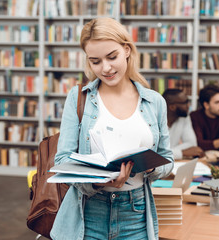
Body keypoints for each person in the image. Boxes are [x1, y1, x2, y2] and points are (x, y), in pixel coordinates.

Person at [50, 18, 174, 240]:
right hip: (88, 214)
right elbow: (62, 161)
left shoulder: (154, 102)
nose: (105, 68)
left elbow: (167, 159)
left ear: (126, 50)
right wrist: (97, 181)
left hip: (135, 215)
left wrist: (147, 167)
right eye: (95, 61)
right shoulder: (79, 98)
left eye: (112, 57)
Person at [163, 89, 205, 160]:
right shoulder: (153, 122)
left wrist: (168, 153)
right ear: (172, 107)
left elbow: (192, 145)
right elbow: (155, 155)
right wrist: (182, 153)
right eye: (185, 102)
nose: (189, 105)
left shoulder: (184, 117)